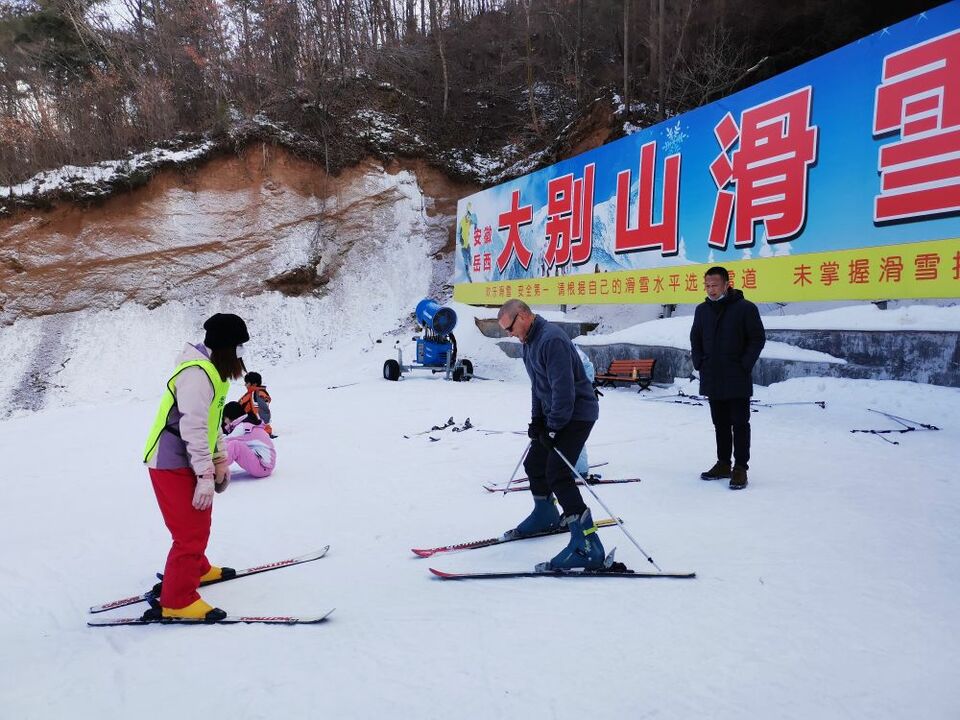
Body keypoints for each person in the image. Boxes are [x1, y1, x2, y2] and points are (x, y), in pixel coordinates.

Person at [142, 312, 249, 621]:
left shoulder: (213, 371)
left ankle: (196, 569)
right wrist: (204, 473)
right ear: (227, 347)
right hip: (170, 461)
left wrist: (219, 460)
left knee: (200, 518)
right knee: (189, 530)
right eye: (239, 347)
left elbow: (212, 422)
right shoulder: (197, 374)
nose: (242, 353)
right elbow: (192, 428)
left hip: (187, 458)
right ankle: (177, 599)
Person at [497, 299, 605, 570]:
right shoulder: (529, 343)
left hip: (577, 414)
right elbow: (538, 386)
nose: (509, 334)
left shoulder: (551, 340)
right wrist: (537, 420)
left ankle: (588, 545)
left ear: (522, 316)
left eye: (509, 327)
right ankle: (545, 514)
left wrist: (554, 427)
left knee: (557, 472)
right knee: (535, 464)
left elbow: (564, 390)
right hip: (556, 413)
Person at [690, 266, 766, 490]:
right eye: (707, 285)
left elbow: (757, 338)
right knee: (719, 423)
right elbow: (695, 338)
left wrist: (744, 364)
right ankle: (723, 463)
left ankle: (740, 467)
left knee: (740, 423)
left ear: (726, 284)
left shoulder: (745, 308)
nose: (711, 290)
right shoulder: (702, 310)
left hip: (736, 376)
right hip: (712, 375)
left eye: (715, 285)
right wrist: (700, 362)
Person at [221, 401, 277, 478]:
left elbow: (224, 443)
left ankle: (216, 469)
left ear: (230, 416)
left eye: (224, 418)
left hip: (263, 467)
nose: (224, 421)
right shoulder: (248, 423)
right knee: (233, 444)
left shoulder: (242, 427)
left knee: (234, 445)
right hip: (266, 465)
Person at [574, 346, 595, 479]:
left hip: (579, 397)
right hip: (575, 394)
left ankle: (580, 468)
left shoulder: (570, 351)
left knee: (575, 433)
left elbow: (587, 373)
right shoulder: (569, 349)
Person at [239, 371, 273, 436]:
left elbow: (262, 413)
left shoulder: (256, 394)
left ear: (254, 384)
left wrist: (265, 430)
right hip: (247, 425)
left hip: (252, 428)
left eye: (247, 383)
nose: (245, 385)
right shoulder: (252, 393)